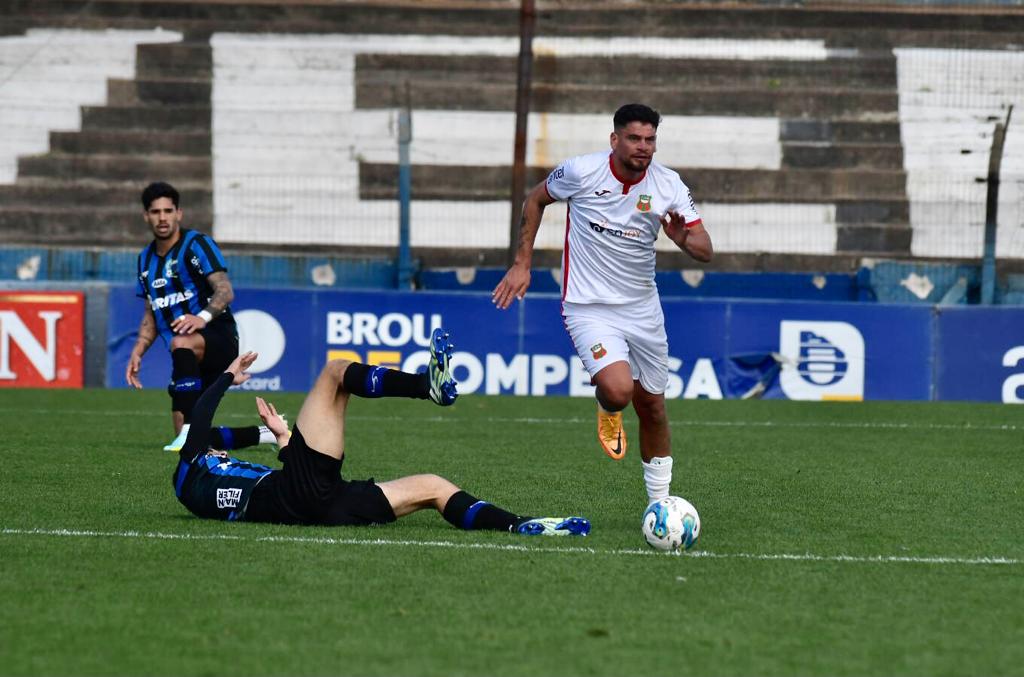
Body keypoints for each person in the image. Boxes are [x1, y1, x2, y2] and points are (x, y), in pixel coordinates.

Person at [492, 103, 713, 507]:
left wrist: (683, 238)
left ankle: (659, 504)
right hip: (588, 305)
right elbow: (534, 201)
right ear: (615, 140)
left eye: (650, 140)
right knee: (617, 391)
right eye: (634, 138)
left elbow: (704, 249)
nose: (643, 147)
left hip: (643, 308)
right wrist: (522, 264)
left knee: (654, 408)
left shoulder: (668, 185)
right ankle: (607, 407)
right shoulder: (580, 171)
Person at [172, 327, 591, 536]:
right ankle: (424, 387)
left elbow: (234, 459)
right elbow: (202, 422)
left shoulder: (202, 486)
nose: (218, 453)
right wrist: (228, 375)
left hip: (323, 507)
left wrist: (282, 438)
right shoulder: (189, 471)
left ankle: (521, 525)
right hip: (300, 494)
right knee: (336, 372)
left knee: (433, 487)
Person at [126, 181, 272, 452]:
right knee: (191, 442)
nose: (162, 217)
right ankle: (265, 433)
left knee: (181, 343)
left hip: (218, 336)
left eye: (168, 211)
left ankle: (193, 426)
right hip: (186, 356)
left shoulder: (197, 244)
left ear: (178, 213)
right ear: (146, 216)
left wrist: (202, 317)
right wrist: (138, 350)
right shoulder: (144, 260)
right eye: (155, 212)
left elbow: (225, 290)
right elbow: (151, 311)